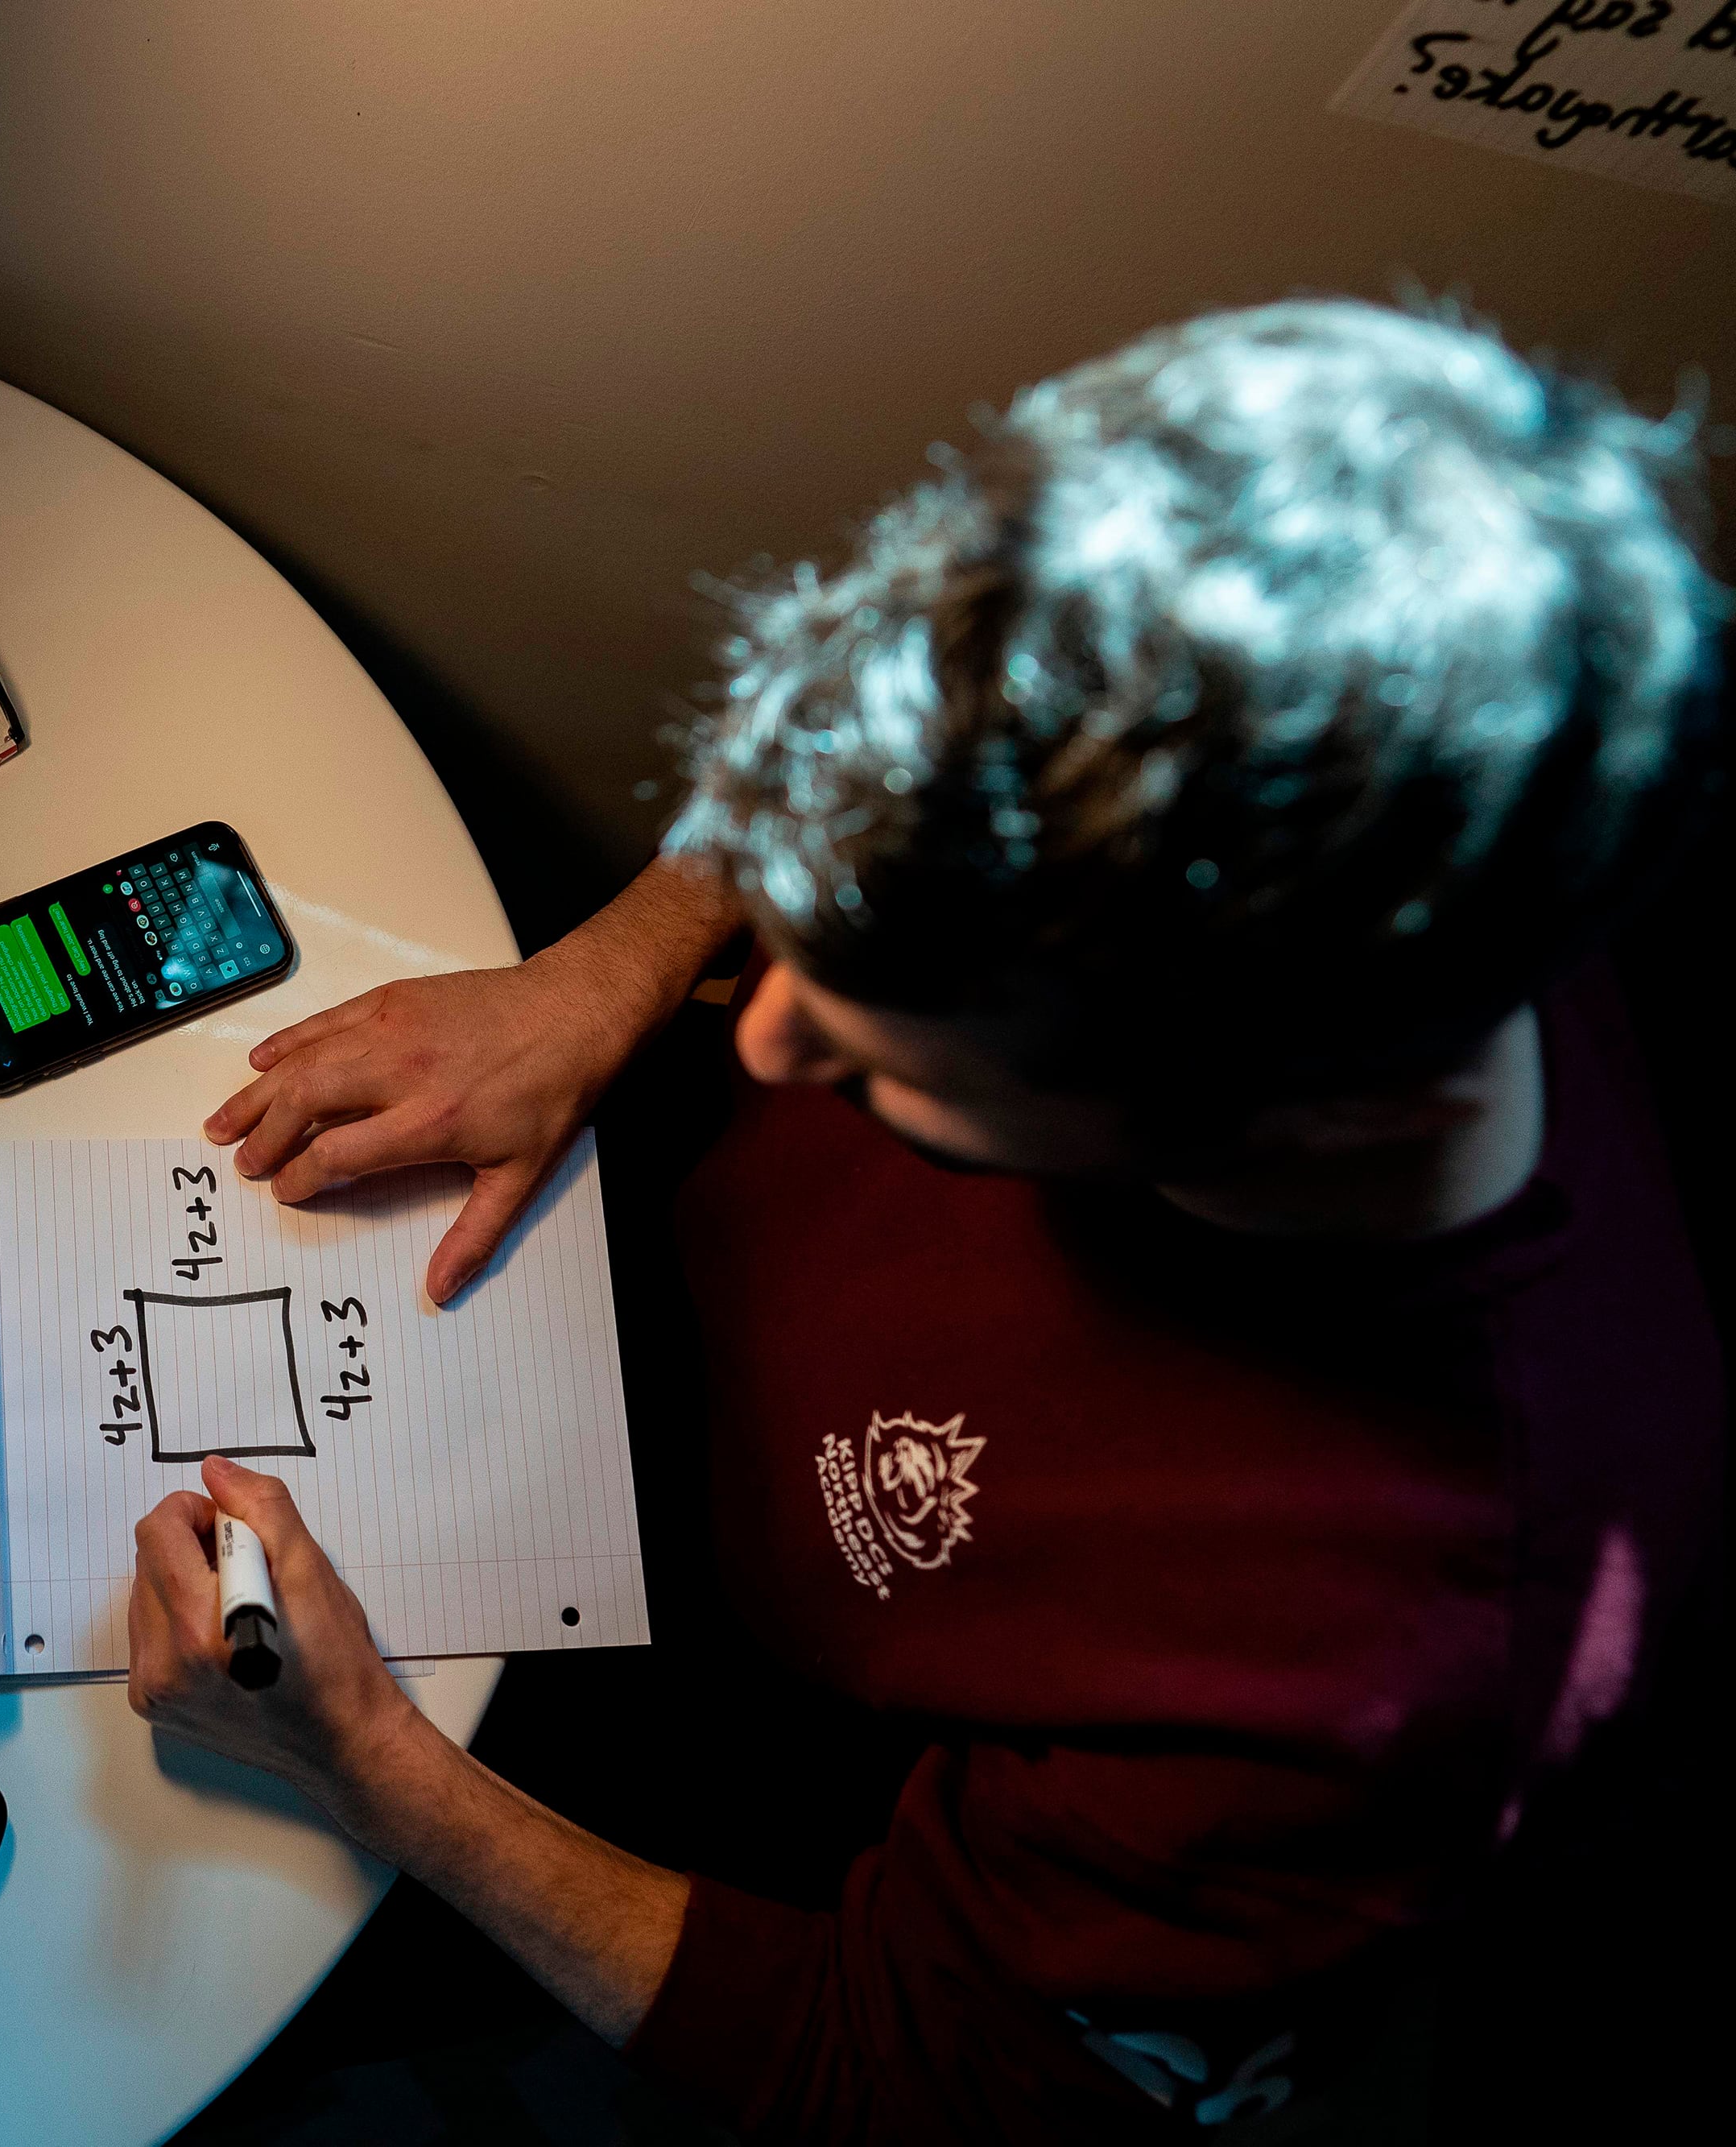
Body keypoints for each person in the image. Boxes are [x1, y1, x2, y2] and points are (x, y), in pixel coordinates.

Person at [129, 300, 1724, 2142]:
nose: (760, 1031)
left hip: (751, 1740)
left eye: (898, 1072)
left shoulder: (1384, 1680)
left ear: (1313, 1111)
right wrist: (606, 974)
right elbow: (855, 732)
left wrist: (373, 1766)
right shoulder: (1309, 628)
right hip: (648, 1339)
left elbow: (903, 2070)